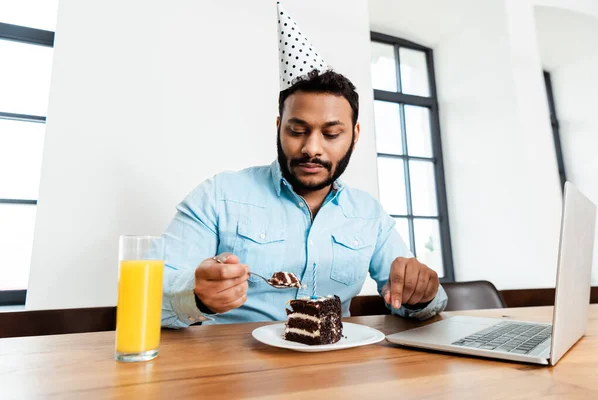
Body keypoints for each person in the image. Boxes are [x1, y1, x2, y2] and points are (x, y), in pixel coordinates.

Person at [160, 3, 447, 329]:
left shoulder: (369, 216)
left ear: (354, 135)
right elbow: (151, 295)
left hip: (337, 369)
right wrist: (195, 296)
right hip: (236, 373)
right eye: (297, 131)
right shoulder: (219, 196)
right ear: (279, 127)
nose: (311, 148)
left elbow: (414, 300)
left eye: (331, 133)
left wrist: (423, 291)